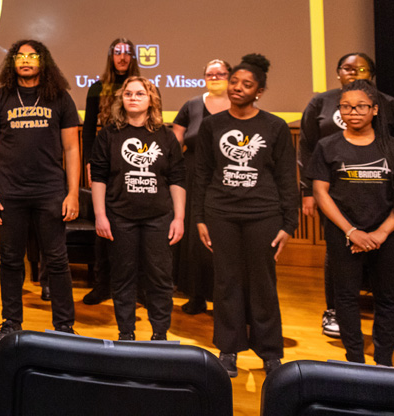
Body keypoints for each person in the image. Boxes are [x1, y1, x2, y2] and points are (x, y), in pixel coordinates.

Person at [193, 54, 298, 377]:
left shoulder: (275, 126)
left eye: (246, 84)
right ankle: (228, 349)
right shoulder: (212, 125)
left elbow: (285, 177)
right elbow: (202, 174)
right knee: (226, 282)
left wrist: (289, 223)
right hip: (221, 213)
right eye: (234, 82)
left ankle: (269, 351)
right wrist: (199, 217)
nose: (237, 88)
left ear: (259, 91)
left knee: (263, 283)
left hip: (263, 214)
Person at [0, 39, 81, 348]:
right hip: (9, 193)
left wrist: (73, 193)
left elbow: (72, 148)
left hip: (50, 191)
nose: (25, 60)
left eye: (32, 56)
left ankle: (64, 326)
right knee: (10, 260)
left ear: (43, 61)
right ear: (12, 62)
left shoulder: (60, 98)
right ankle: (11, 323)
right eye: (20, 56)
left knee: (57, 260)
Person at [298, 52, 394, 338]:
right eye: (347, 68)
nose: (353, 73)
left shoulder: (388, 104)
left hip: (381, 197)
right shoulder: (321, 102)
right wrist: (307, 191)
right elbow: (307, 146)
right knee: (337, 254)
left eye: (361, 68)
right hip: (336, 196)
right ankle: (334, 311)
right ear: (338, 72)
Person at [91, 77, 186, 341]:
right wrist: (100, 215)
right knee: (122, 277)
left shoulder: (165, 136)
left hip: (160, 218)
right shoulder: (108, 135)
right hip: (120, 217)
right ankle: (125, 333)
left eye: (140, 93)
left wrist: (179, 217)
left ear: (151, 100)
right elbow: (98, 176)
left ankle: (159, 334)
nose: (133, 97)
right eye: (128, 93)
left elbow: (178, 177)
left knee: (159, 278)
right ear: (121, 99)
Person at [80, 37, 140, 305]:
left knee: (135, 228)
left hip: (136, 164)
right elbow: (89, 131)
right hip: (104, 164)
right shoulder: (96, 88)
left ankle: (136, 288)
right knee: (102, 226)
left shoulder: (142, 88)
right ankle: (102, 284)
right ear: (111, 56)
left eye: (127, 53)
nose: (123, 58)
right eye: (118, 53)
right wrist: (90, 164)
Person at [172, 59, 231, 315]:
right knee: (195, 241)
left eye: (221, 73)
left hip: (226, 179)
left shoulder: (240, 105)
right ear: (203, 77)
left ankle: (225, 297)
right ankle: (196, 295)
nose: (215, 76)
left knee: (222, 237)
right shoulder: (192, 105)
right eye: (210, 73)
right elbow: (176, 141)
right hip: (193, 176)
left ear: (230, 76)